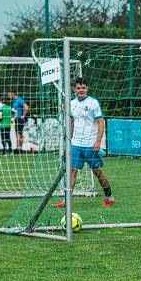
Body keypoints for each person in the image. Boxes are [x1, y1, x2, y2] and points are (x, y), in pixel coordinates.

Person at [54, 78, 115, 208]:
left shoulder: (93, 103)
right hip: (76, 144)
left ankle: (109, 197)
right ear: (74, 90)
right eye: (78, 88)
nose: (81, 90)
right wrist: (69, 140)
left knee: (97, 172)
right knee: (72, 172)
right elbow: (71, 122)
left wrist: (98, 141)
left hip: (90, 144)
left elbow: (100, 122)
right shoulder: (71, 104)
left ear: (87, 89)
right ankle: (66, 201)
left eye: (83, 88)